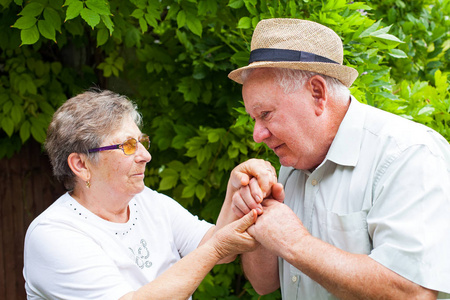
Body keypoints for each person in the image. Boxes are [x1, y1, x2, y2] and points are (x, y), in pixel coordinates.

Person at [227, 18, 450, 299]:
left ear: (317, 94)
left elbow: (412, 293)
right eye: (254, 119)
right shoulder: (294, 160)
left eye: (266, 114)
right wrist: (257, 216)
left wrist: (294, 242)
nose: (257, 134)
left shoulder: (408, 154)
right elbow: (264, 283)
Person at [23, 89, 278, 299]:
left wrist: (236, 190)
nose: (146, 156)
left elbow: (218, 247)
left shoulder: (147, 201)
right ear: (81, 165)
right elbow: (215, 247)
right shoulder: (54, 234)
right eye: (127, 146)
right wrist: (216, 247)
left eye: (141, 142)